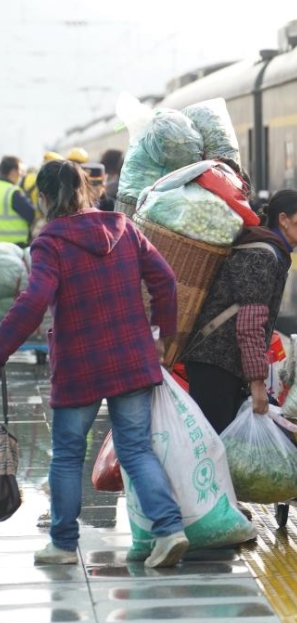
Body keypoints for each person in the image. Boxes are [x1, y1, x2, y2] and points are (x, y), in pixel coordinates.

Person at [0, 159, 188, 568]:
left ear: (45, 197)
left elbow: (33, 301)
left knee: (67, 455)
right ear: (88, 189)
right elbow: (166, 280)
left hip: (79, 363)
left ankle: (64, 545)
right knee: (136, 449)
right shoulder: (122, 227)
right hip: (131, 356)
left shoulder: (50, 241)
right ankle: (169, 530)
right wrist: (161, 333)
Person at [184, 190, 297, 433]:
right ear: (284, 220)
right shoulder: (261, 255)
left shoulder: (270, 252)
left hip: (222, 363)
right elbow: (250, 323)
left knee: (223, 443)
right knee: (215, 444)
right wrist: (257, 382)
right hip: (215, 362)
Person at [0, 155, 37, 246]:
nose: (22, 175)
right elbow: (31, 214)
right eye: (20, 171)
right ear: (13, 171)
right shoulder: (12, 192)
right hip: (14, 247)